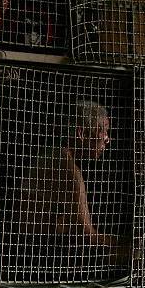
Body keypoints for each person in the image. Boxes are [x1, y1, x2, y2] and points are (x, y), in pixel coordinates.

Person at [28, 100, 130, 264]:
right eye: (102, 130)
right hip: (34, 251)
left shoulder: (55, 155)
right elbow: (86, 235)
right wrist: (127, 246)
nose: (107, 139)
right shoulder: (66, 168)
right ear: (81, 134)